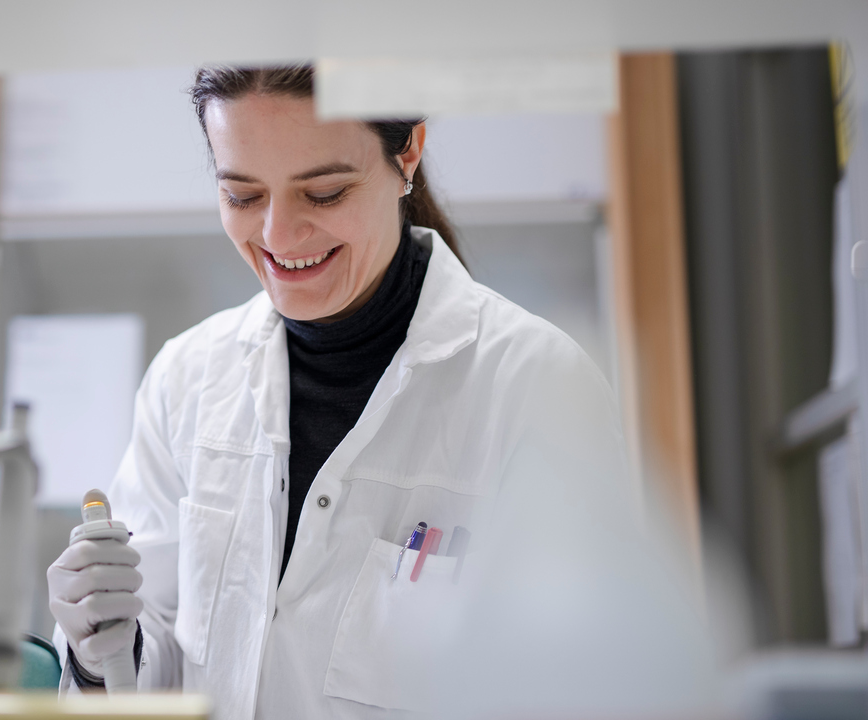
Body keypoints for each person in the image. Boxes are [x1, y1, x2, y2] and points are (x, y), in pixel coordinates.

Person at [47, 64, 627, 719]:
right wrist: (99, 657)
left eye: (322, 193)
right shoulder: (185, 379)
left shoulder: (534, 384)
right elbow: (158, 665)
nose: (276, 236)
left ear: (407, 152)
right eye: (242, 195)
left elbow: (587, 683)